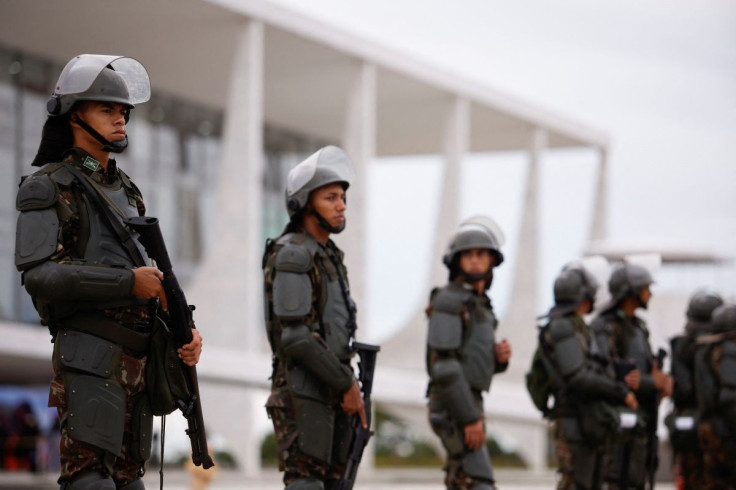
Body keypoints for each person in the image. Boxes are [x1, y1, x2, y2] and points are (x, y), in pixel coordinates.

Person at [14, 54, 202, 489]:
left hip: (136, 360)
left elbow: (149, 275)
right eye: (107, 109)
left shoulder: (126, 189)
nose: (120, 120)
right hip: (89, 357)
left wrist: (183, 332)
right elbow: (39, 274)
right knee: (90, 481)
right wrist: (127, 283)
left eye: (123, 112)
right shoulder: (48, 185)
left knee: (127, 480)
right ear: (73, 115)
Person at [262, 146, 367, 490]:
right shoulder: (293, 253)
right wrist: (345, 384)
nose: (341, 205)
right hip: (302, 391)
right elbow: (295, 337)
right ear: (306, 202)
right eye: (331, 197)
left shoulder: (329, 256)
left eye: (343, 197)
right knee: (306, 484)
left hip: (331, 387)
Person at [425, 216, 512, 490]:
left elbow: (470, 361)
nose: (475, 260)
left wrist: (498, 360)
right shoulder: (450, 299)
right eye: (468, 255)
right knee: (479, 482)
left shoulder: (479, 305)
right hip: (454, 404)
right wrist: (469, 418)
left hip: (468, 399)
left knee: (462, 479)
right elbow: (445, 367)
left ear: (491, 261)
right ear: (457, 261)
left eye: (481, 254)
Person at [538, 263, 638, 490]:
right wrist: (619, 391)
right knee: (576, 483)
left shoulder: (577, 327)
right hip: (575, 419)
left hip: (588, 419)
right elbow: (578, 376)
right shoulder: (564, 327)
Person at [590, 263, 672, 489]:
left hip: (641, 422)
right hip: (617, 424)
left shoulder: (639, 327)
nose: (650, 293)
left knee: (637, 479)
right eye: (645, 287)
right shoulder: (604, 326)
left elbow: (644, 373)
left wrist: (660, 383)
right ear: (631, 291)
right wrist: (648, 382)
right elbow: (606, 371)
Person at [667, 289, 723, 489]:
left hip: (687, 426)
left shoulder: (681, 346)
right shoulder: (721, 348)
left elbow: (680, 390)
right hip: (716, 428)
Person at [693, 304, 736, 488]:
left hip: (710, 428)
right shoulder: (727, 351)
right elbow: (730, 397)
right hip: (725, 431)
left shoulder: (705, 349)